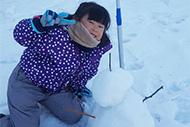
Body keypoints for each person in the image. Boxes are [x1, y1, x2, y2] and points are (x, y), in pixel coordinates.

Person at [0, 2, 112, 127]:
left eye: (100, 26)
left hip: (54, 89)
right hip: (26, 83)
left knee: (74, 115)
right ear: (76, 19)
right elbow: (20, 35)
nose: (95, 29)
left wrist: (76, 89)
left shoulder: (94, 50)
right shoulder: (58, 32)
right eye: (91, 22)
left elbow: (84, 73)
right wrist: (38, 26)